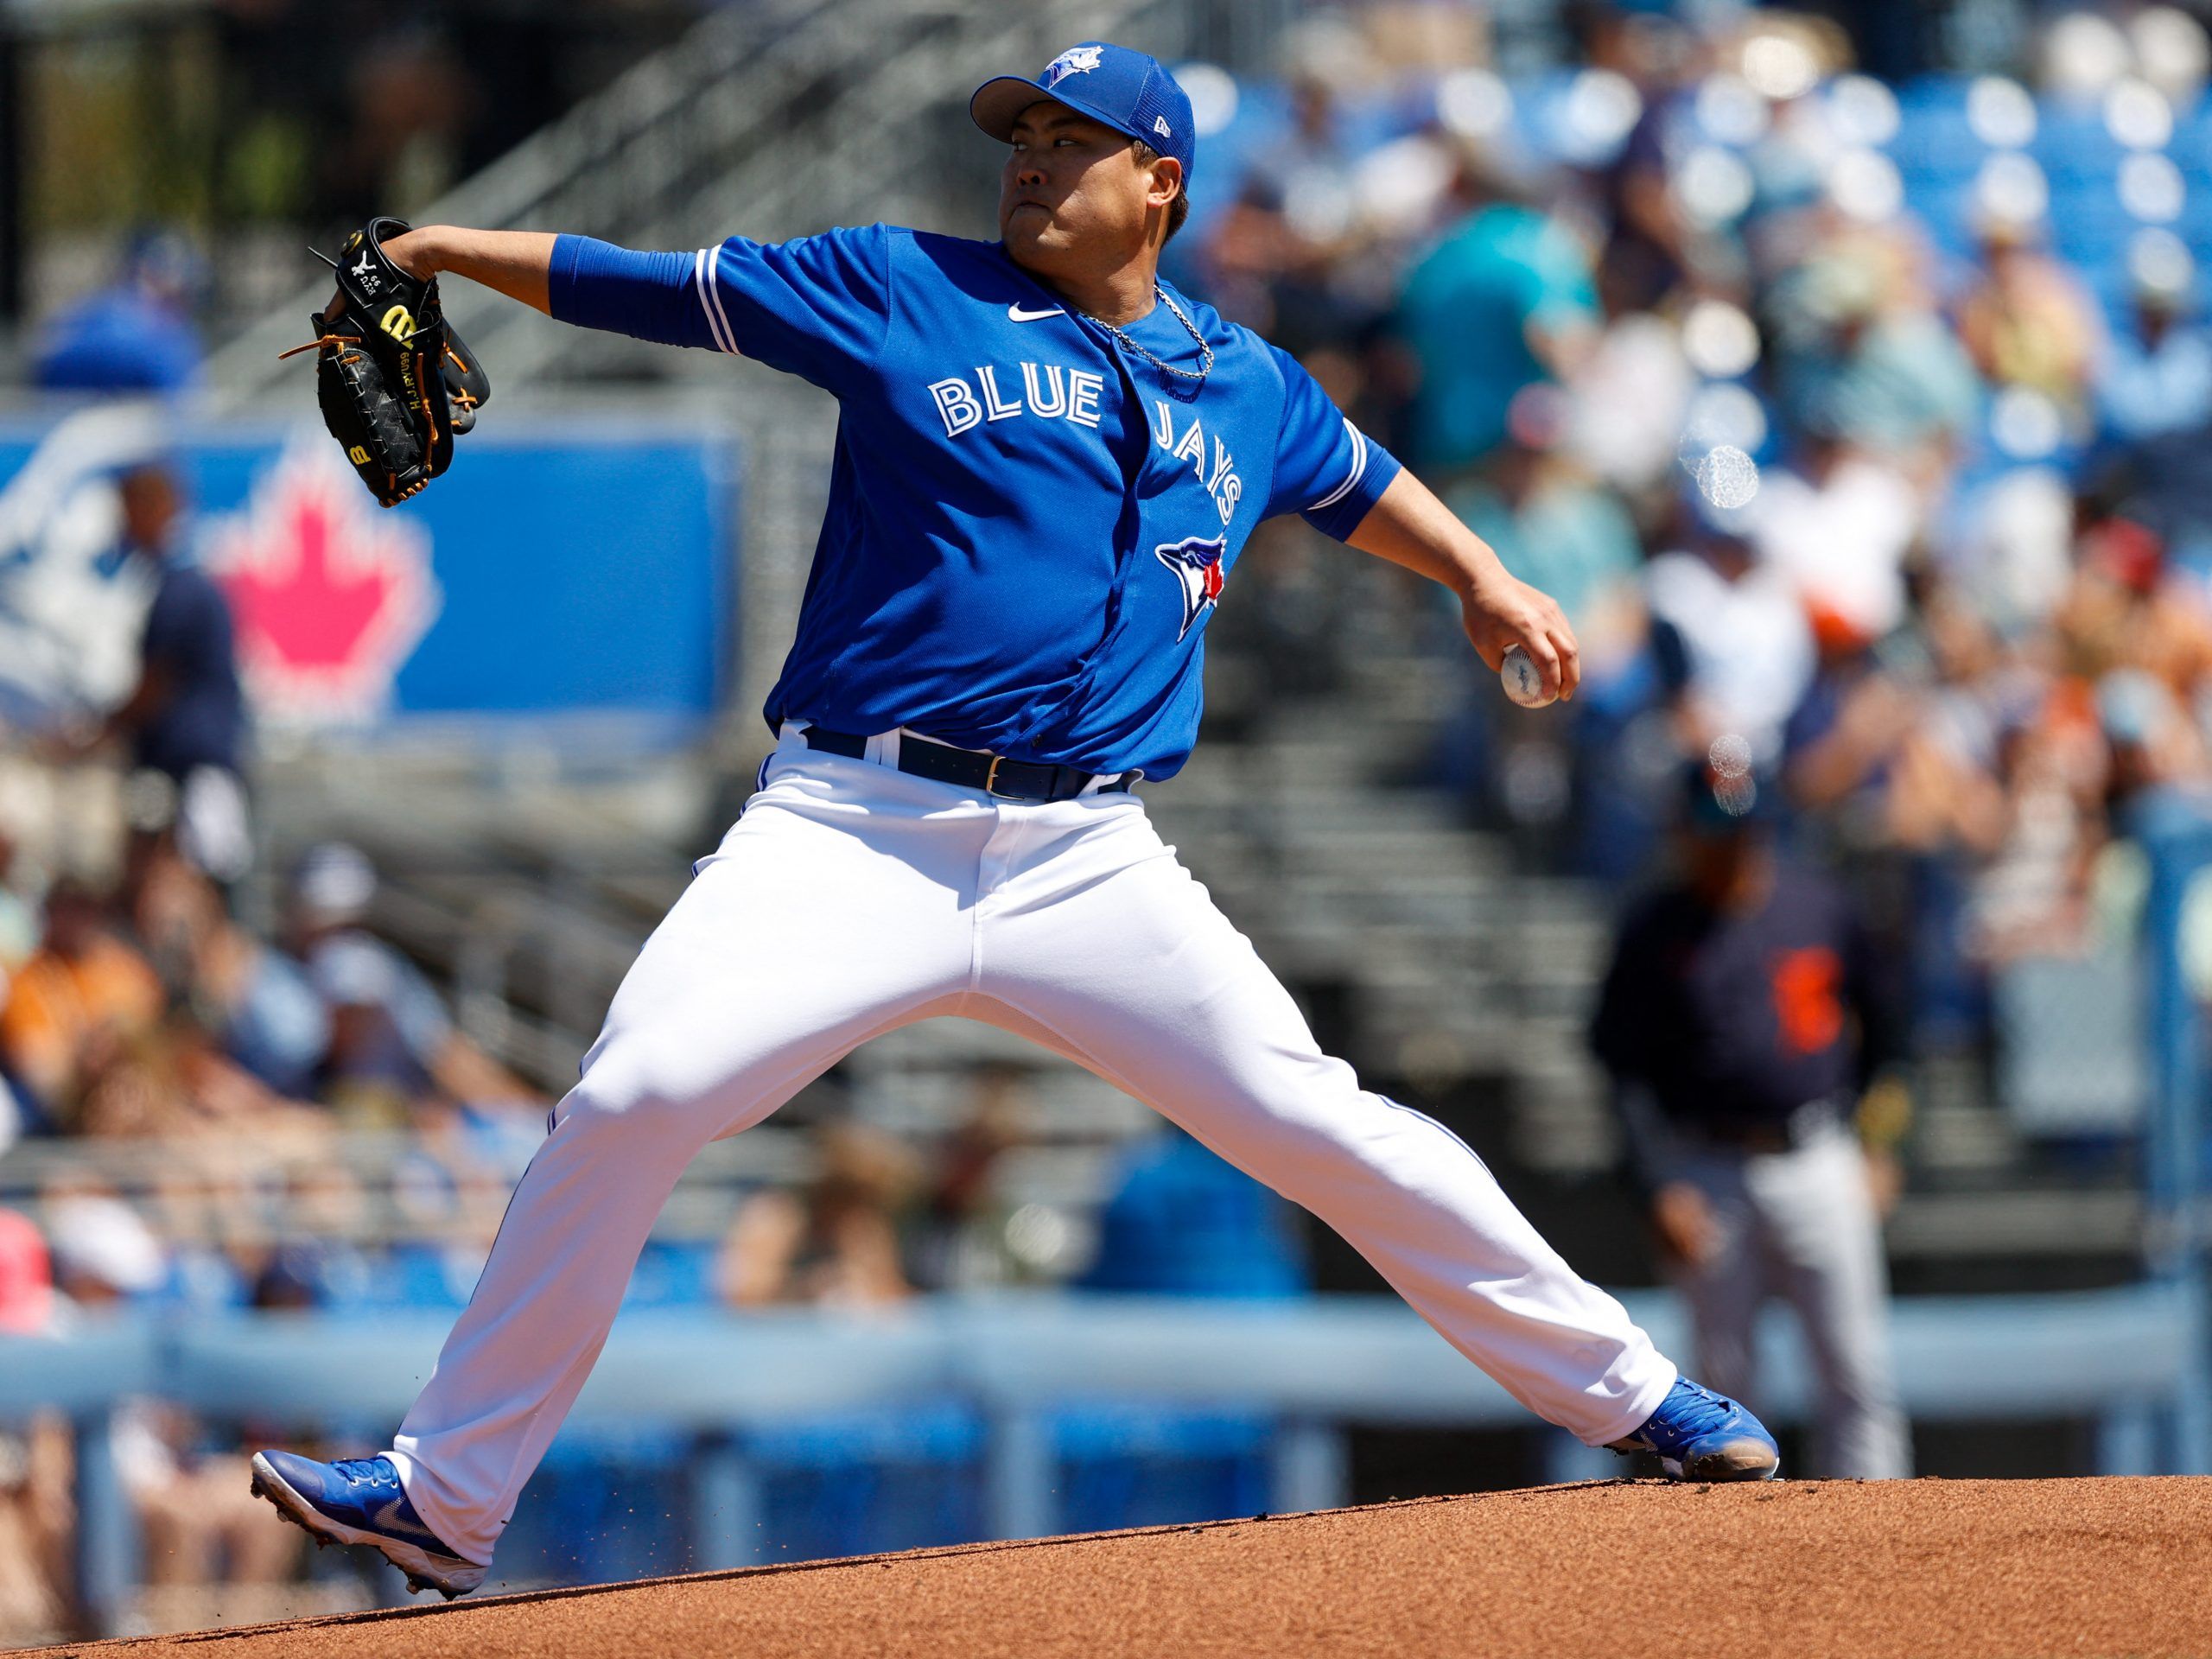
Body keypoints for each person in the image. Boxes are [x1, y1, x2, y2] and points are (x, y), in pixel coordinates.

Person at [249, 42, 1777, 1601]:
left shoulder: (1241, 381)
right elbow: (637, 280)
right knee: (635, 1096)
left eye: (1073, 141)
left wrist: (1485, 579)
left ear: (1160, 183)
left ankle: (1640, 1395)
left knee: (1322, 1123)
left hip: (1089, 860)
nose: (1032, 162)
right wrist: (438, 251)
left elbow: (1355, 474)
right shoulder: (901, 286)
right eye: (1022, 138)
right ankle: (445, 1493)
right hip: (853, 821)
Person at [1591, 760, 1913, 1480]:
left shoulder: (1820, 906)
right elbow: (1620, 1074)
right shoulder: (1655, 930)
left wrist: (1882, 1143)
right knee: (1720, 1388)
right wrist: (1655, 1186)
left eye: (1740, 831)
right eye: (1710, 832)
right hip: (1706, 1168)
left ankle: (1885, 1558)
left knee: (1857, 1373)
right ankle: (1725, 1569)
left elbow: (1892, 1036)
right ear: (1680, 832)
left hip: (1818, 1154)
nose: (1727, 847)